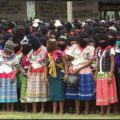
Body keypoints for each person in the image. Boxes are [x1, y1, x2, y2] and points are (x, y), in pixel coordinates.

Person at [65, 33, 95, 114]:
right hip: (74, 71)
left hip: (85, 71)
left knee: (86, 92)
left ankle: (87, 110)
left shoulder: (91, 48)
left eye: (87, 39)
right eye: (84, 39)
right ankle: (77, 110)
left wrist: (80, 68)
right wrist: (70, 66)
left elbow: (90, 61)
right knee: (75, 91)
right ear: (80, 39)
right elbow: (69, 58)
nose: (86, 40)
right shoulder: (73, 47)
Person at [95, 34, 118, 115]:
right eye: (100, 40)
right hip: (100, 74)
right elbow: (97, 62)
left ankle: (108, 111)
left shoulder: (110, 49)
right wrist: (95, 74)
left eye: (103, 40)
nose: (101, 42)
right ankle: (102, 111)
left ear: (106, 41)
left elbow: (112, 63)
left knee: (108, 92)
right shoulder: (98, 50)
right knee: (101, 93)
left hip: (108, 73)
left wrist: (110, 75)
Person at [26, 35, 49, 113]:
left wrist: (45, 75)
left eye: (30, 44)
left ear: (34, 43)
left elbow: (45, 64)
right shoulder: (32, 51)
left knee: (41, 90)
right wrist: (29, 71)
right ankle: (34, 109)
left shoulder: (44, 50)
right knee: (33, 91)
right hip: (33, 73)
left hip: (41, 73)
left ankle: (42, 109)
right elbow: (30, 62)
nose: (29, 45)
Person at [46, 38, 68, 114]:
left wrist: (66, 74)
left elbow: (65, 65)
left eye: (48, 44)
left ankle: (61, 111)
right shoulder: (47, 54)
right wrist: (45, 77)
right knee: (53, 93)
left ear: (52, 45)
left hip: (59, 75)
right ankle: (54, 111)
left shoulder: (60, 53)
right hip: (51, 75)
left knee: (60, 93)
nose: (47, 46)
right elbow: (46, 66)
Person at [0, 40, 19, 112]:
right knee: (4, 92)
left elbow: (17, 67)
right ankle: (6, 108)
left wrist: (14, 75)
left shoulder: (14, 56)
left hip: (11, 76)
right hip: (2, 76)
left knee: (11, 92)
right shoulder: (0, 55)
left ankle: (11, 109)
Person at [19, 36, 31, 112]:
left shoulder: (31, 55)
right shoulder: (22, 56)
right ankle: (25, 109)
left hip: (30, 74)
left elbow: (32, 64)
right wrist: (22, 70)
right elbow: (20, 65)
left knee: (29, 91)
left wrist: (28, 71)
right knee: (23, 91)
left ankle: (31, 108)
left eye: (22, 47)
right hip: (24, 75)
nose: (21, 49)